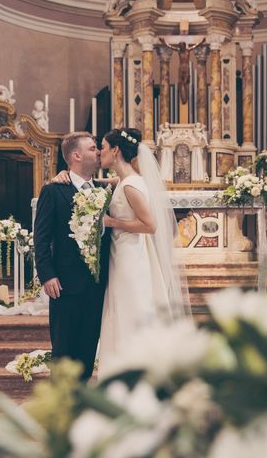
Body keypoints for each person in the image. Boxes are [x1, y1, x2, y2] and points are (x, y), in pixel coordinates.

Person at [96, 128, 190, 376]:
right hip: (125, 253)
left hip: (129, 258)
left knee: (130, 309)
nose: (99, 152)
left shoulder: (131, 186)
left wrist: (111, 222)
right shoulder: (129, 180)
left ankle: (134, 369)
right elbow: (118, 182)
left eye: (103, 147)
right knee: (123, 308)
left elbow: (150, 225)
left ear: (115, 151)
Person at [34, 132, 110, 381]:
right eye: (92, 148)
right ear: (76, 155)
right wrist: (47, 275)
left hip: (97, 285)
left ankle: (82, 401)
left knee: (88, 348)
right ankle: (61, 406)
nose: (98, 152)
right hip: (64, 284)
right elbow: (41, 238)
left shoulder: (104, 190)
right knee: (64, 350)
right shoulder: (54, 190)